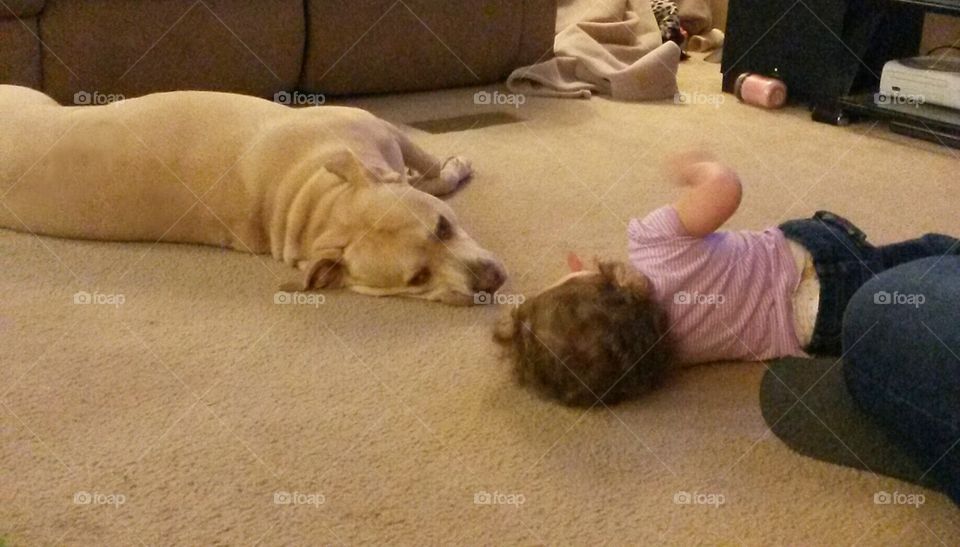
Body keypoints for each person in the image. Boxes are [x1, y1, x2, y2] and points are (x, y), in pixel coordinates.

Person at [494, 151, 959, 406]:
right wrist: (700, 167)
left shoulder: (662, 356)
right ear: (585, 276)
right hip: (819, 259)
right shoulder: (652, 242)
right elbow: (726, 191)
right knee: (920, 254)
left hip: (821, 332)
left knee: (905, 295)